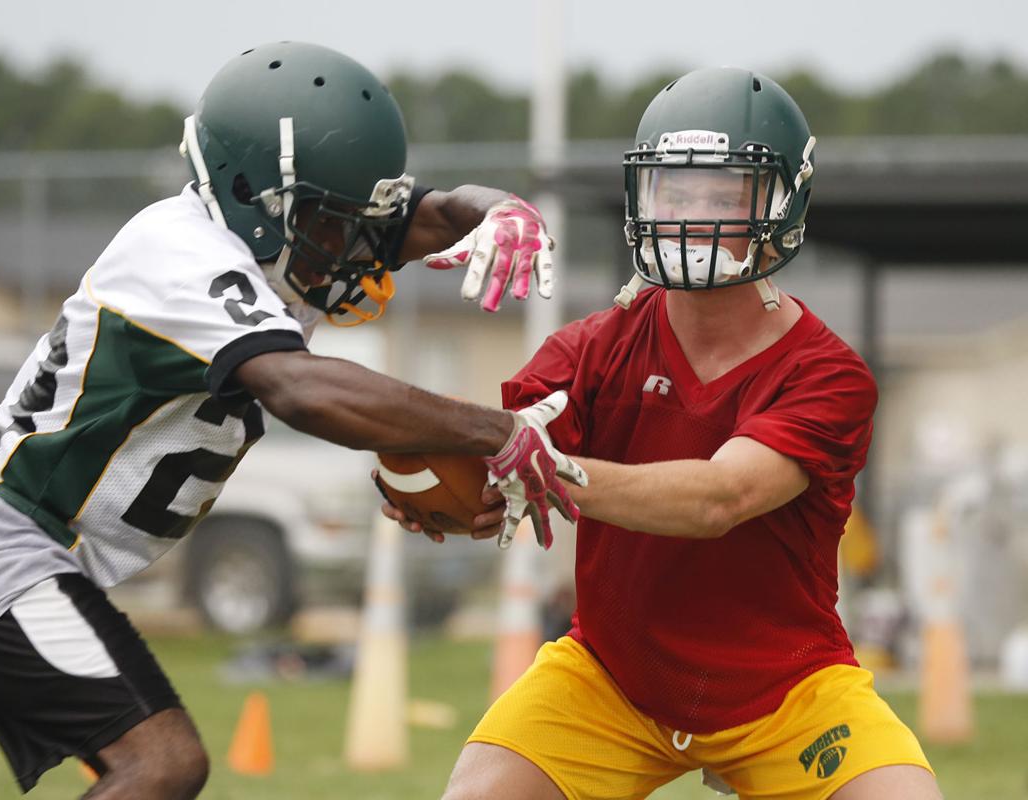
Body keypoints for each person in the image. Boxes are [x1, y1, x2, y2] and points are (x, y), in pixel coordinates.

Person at [0, 42, 586, 800]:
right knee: (160, 764)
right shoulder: (178, 252)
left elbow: (433, 213)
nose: (354, 248)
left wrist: (500, 210)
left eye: (361, 221)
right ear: (253, 193)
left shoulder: (287, 236)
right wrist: (494, 430)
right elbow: (300, 390)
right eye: (334, 222)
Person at [389, 67, 943, 799]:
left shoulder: (828, 371)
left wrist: (546, 468)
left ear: (782, 203)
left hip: (784, 688)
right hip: (614, 676)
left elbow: (719, 497)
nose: (693, 213)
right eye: (675, 191)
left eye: (724, 193)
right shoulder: (594, 345)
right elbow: (501, 454)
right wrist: (447, 484)